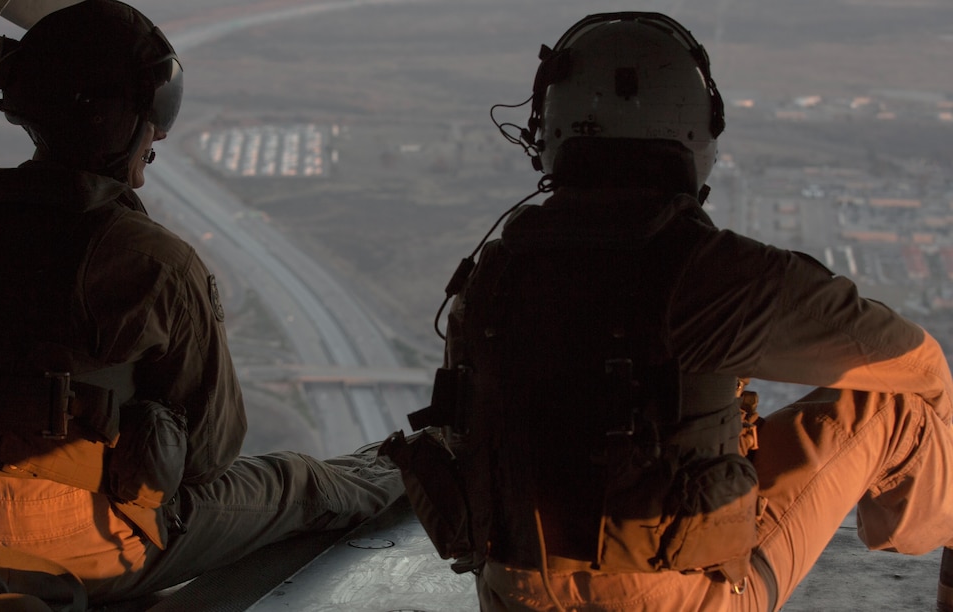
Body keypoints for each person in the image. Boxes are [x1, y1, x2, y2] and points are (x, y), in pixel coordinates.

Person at [384, 11, 953, 611]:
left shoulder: (492, 275)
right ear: (697, 129)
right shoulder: (717, 274)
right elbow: (914, 361)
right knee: (897, 402)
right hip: (676, 602)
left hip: (513, 597)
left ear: (547, 133)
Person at [0, 0, 401, 608]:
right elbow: (209, 453)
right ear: (119, 122)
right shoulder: (151, 260)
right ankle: (411, 467)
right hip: (99, 555)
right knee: (296, 480)